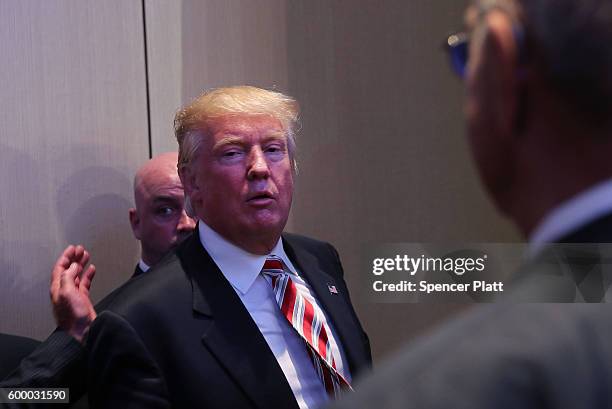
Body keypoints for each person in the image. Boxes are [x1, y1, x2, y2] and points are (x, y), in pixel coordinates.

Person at [327, 0, 612, 408]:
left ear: (500, 65)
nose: (259, 168)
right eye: (233, 153)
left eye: (466, 54)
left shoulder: (422, 394)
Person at [85, 86, 372, 409]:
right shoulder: (139, 318)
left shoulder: (320, 259)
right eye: (233, 153)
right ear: (191, 181)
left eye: (274, 149)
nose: (260, 168)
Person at [0, 153, 196, 407]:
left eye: (195, 207)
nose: (188, 223)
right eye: (165, 210)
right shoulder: (108, 318)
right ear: (136, 223)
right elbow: (14, 399)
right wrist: (79, 335)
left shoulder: (250, 291)